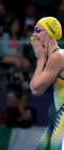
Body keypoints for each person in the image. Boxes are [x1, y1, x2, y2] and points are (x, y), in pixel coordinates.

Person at [30, 17, 64, 150]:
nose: (33, 35)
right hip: (55, 117)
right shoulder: (51, 58)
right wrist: (42, 59)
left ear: (50, 33)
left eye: (38, 30)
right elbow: (33, 88)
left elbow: (37, 89)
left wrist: (40, 60)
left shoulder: (58, 56)